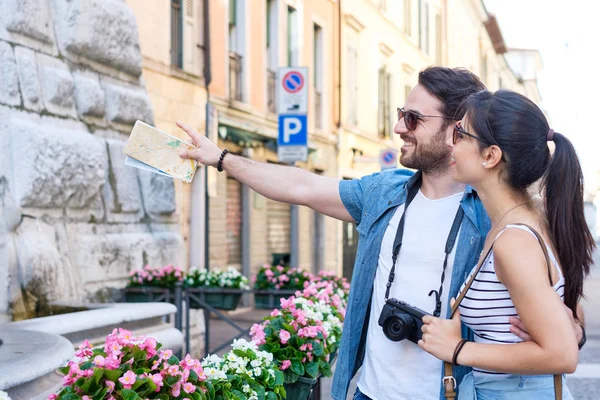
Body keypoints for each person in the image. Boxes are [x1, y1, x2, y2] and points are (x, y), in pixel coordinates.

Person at [176, 67, 583, 400]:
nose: (398, 127)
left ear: (455, 131)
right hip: (370, 391)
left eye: (413, 118)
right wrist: (222, 159)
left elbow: (565, 312)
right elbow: (301, 186)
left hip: (455, 391)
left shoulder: (499, 216)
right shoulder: (385, 192)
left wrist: (570, 329)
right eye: (401, 113)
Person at [418, 89, 593, 399]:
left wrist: (459, 349)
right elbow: (568, 314)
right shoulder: (530, 219)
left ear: (490, 156)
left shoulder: (514, 239)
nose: (449, 141)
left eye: (460, 133)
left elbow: (562, 354)